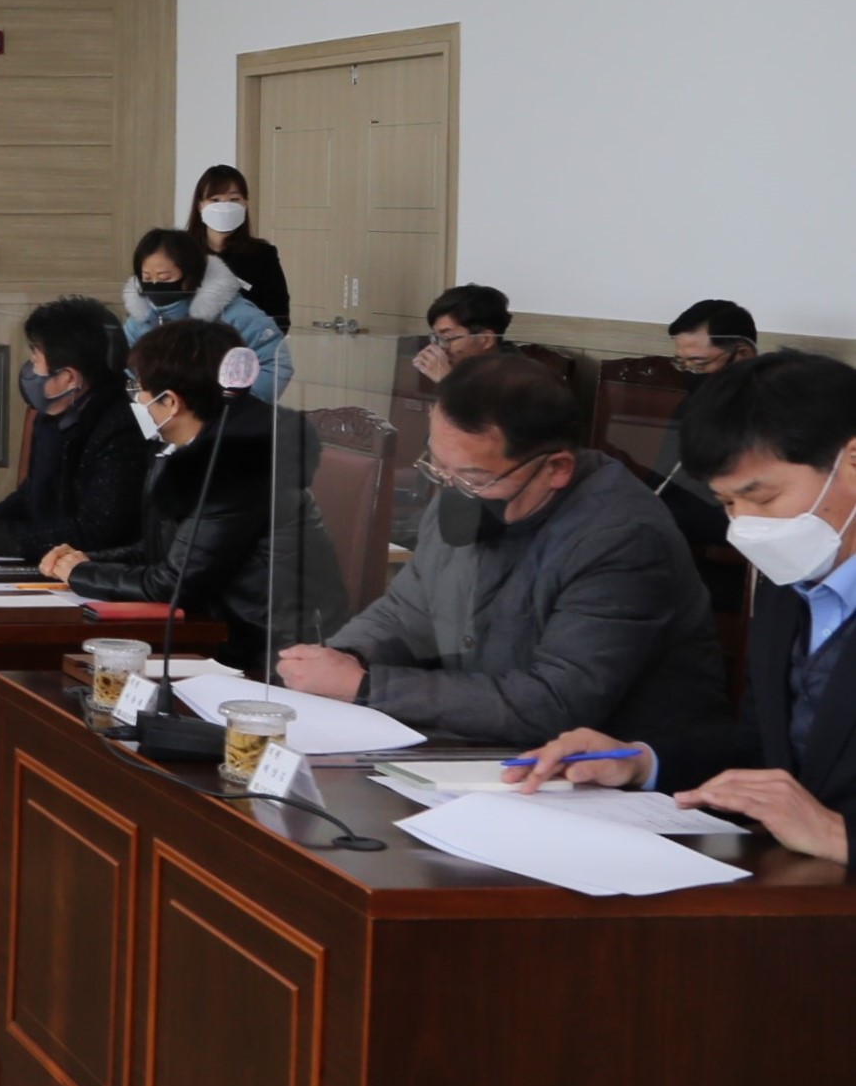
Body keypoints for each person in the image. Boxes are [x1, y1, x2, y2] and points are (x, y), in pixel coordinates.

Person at [273, 352, 732, 754]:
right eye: (439, 466)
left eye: (473, 476)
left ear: (556, 468)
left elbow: (555, 703)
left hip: (613, 774)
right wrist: (342, 657)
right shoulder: (465, 494)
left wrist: (367, 685)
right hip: (487, 747)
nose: (453, 487)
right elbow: (406, 613)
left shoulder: (622, 537)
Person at [508, 351, 856, 859]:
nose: (745, 525)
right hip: (792, 883)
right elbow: (762, 755)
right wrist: (640, 762)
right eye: (728, 503)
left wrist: (840, 836)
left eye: (763, 498)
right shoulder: (789, 586)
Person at [42, 319, 345, 670]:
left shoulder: (238, 465)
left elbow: (173, 585)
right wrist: (84, 561)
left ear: (171, 401)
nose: (137, 399)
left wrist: (81, 573)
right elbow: (164, 549)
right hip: (218, 628)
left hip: (271, 653)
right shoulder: (183, 448)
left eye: (140, 388)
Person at [0, 297, 143, 563]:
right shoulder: (54, 417)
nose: (29, 370)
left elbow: (96, 532)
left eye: (35, 359)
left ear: (69, 378)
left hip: (95, 575)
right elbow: (31, 499)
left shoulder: (123, 428)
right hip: (51, 567)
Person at [119, 227, 292, 401]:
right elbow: (125, 366)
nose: (155, 285)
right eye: (147, 278)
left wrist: (231, 405)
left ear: (191, 275)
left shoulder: (236, 315)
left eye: (164, 278)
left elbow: (276, 364)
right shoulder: (141, 319)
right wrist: (143, 398)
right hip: (161, 413)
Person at [651, 299, 762, 548]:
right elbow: (664, 473)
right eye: (682, 363)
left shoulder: (771, 408)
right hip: (673, 517)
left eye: (699, 363)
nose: (689, 372)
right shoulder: (695, 401)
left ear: (742, 355)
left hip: (732, 521)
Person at [183, 164, 289, 330]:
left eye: (234, 199)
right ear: (200, 205)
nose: (225, 207)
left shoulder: (262, 255)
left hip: (246, 342)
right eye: (215, 200)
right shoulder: (182, 251)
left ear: (245, 203)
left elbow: (278, 315)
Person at [409, 282, 511, 386]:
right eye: (437, 338)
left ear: (486, 340)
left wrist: (447, 381)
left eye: (447, 338)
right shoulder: (463, 373)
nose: (440, 349)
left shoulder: (514, 380)